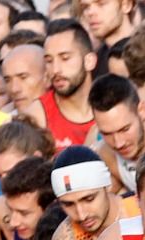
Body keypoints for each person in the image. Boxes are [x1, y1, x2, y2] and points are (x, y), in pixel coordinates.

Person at [28, 20, 100, 149]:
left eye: (65, 58)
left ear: (89, 61)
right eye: (49, 61)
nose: (56, 69)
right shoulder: (37, 116)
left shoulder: (112, 105)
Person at [90, 73, 145, 192]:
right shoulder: (105, 154)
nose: (118, 143)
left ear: (142, 111)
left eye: (125, 129)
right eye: (107, 134)